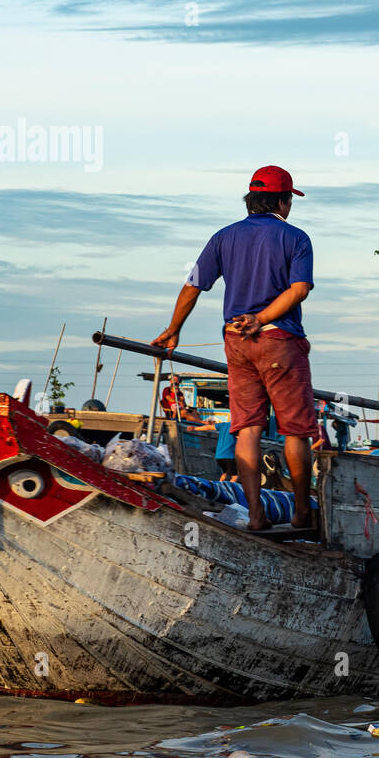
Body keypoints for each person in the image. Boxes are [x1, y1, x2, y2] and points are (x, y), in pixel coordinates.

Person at [153, 165, 317, 532]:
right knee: (296, 431)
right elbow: (299, 289)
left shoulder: (223, 237)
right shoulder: (296, 238)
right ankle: (302, 514)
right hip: (278, 339)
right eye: (289, 199)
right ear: (282, 200)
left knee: (247, 430)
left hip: (236, 341)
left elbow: (193, 285)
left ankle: (255, 516)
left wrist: (173, 330)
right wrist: (261, 319)